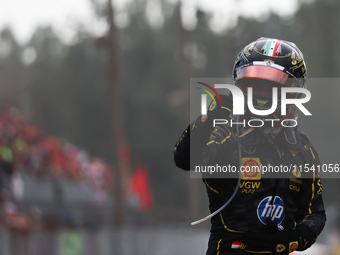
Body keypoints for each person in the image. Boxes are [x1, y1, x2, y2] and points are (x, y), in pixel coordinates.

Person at [173, 37, 326, 255]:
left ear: (295, 90)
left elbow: (315, 214)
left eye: (270, 87)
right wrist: (207, 119)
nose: (262, 95)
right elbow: (184, 159)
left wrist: (289, 240)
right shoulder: (228, 132)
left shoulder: (303, 149)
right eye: (255, 86)